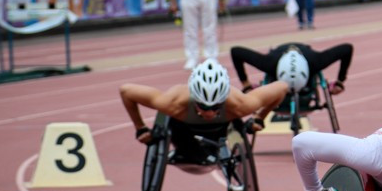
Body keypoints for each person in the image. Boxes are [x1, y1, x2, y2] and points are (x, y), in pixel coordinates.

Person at [120, 60, 289, 157]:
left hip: (224, 126)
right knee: (192, 153)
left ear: (223, 100)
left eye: (215, 107)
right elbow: (126, 91)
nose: (208, 112)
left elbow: (282, 87)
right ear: (194, 99)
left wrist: (260, 117)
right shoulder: (172, 103)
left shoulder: (240, 105)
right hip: (182, 127)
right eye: (203, 106)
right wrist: (140, 128)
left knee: (232, 132)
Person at [230, 43, 353, 102]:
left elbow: (348, 48)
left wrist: (340, 81)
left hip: (306, 54)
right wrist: (245, 83)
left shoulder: (315, 62)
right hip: (278, 54)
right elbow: (235, 51)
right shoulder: (269, 64)